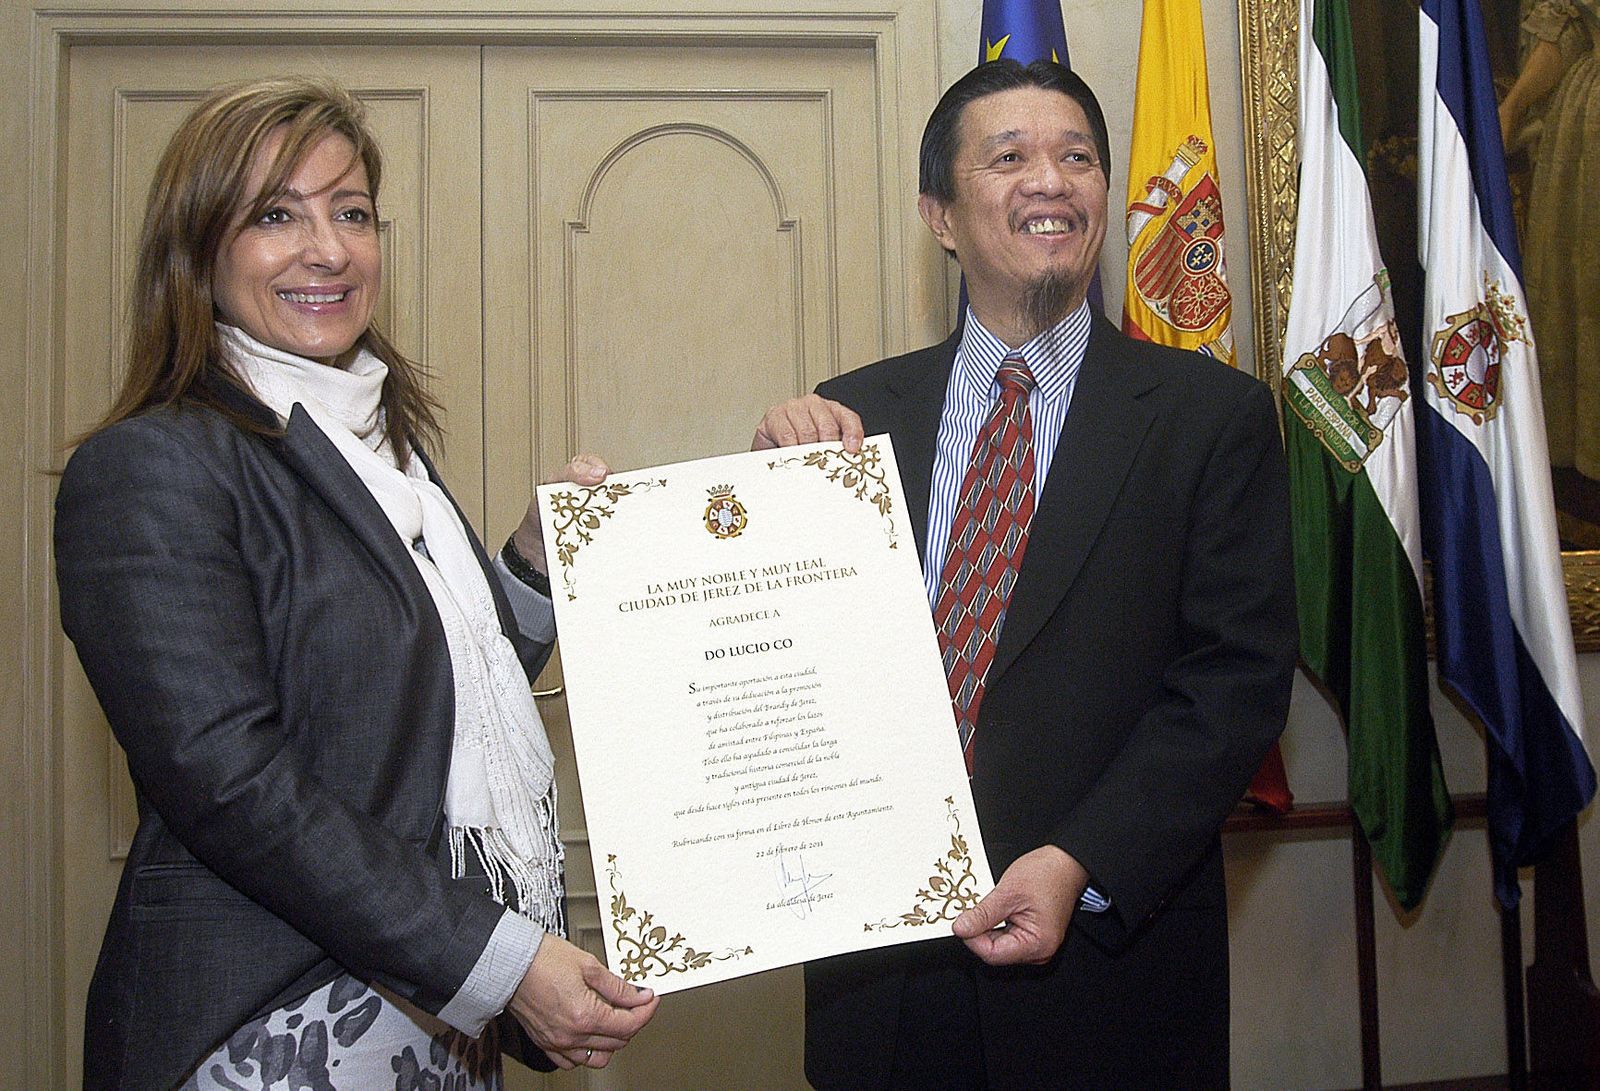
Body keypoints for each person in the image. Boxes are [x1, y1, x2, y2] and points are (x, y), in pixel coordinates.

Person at [54, 78, 657, 1091]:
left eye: (351, 212)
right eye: (275, 215)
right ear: (198, 249)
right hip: (270, 1029)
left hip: (433, 1016)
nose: (327, 248)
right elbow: (231, 780)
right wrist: (502, 960)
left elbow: (425, 703)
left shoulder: (386, 457)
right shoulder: (153, 464)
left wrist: (530, 559)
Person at [754, 60, 1297, 1089]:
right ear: (941, 216)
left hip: (1109, 977)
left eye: (1077, 156)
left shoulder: (1208, 417)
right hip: (881, 989)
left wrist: (1075, 862)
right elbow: (795, 672)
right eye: (1009, 158)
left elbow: (1232, 686)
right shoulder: (847, 422)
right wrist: (774, 504)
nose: (1050, 179)